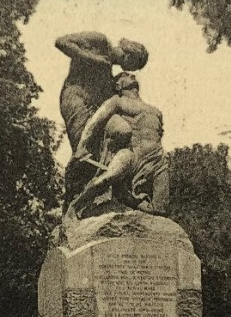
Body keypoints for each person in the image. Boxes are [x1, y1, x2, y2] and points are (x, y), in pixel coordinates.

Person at [55, 31, 147, 204]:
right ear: (129, 53)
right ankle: (73, 198)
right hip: (76, 99)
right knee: (83, 149)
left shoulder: (109, 74)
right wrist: (92, 58)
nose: (129, 69)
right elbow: (61, 41)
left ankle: (121, 190)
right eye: (133, 64)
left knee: (123, 131)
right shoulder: (99, 40)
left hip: (95, 109)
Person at [70, 71, 170, 218]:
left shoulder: (155, 111)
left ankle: (127, 199)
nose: (133, 76)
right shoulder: (117, 101)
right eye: (127, 76)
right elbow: (95, 122)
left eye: (132, 75)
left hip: (157, 160)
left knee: (161, 210)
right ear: (118, 85)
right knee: (108, 177)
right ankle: (77, 205)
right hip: (132, 155)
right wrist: (82, 146)